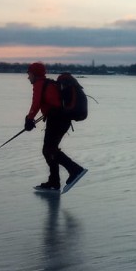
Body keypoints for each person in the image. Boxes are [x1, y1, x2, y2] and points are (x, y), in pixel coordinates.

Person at [25, 62, 88, 192]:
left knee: (50, 150)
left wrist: (29, 119)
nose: (28, 77)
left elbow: (36, 103)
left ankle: (75, 170)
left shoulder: (40, 84)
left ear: (35, 74)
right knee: (48, 150)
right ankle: (54, 182)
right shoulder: (47, 83)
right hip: (60, 119)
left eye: (29, 74)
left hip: (57, 119)